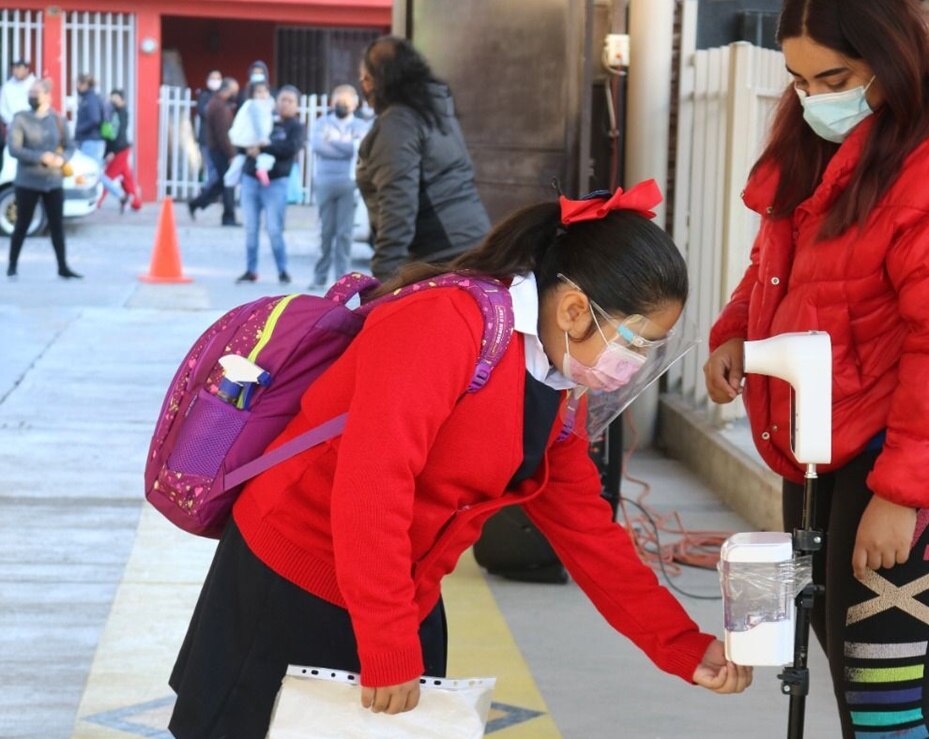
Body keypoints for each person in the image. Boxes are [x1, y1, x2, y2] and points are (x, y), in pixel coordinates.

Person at [168, 181, 752, 737]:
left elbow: (590, 536)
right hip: (291, 585)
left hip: (399, 594)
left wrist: (679, 643)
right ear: (575, 309)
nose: (633, 365)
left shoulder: (555, 384)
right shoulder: (444, 323)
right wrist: (389, 641)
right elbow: (374, 483)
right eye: (635, 343)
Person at [703, 1, 929, 737]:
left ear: (891, 54)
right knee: (841, 651)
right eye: (798, 80)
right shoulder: (825, 130)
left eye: (835, 77)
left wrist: (903, 493)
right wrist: (735, 332)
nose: (815, 98)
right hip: (830, 428)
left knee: (882, 693)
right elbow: (777, 259)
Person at [357, 36, 490, 280]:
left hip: (441, 257)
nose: (363, 86)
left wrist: (384, 278)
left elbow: (398, 205)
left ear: (379, 80)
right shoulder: (435, 109)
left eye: (365, 79)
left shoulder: (398, 124)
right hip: (473, 245)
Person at [6, 79, 81, 279]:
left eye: (35, 92)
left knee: (57, 226)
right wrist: (40, 157)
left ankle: (63, 267)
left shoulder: (58, 120)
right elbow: (14, 149)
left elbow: (70, 146)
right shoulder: (20, 119)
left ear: (47, 95)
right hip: (27, 181)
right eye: (30, 93)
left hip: (53, 181)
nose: (32, 96)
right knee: (22, 223)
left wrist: (61, 159)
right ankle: (12, 265)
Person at [236, 84, 305, 285]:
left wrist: (266, 147)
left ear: (297, 106)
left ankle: (282, 270)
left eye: (290, 101)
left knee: (274, 229)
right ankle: (250, 270)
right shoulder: (264, 119)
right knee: (250, 228)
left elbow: (290, 148)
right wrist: (248, 149)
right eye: (282, 99)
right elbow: (242, 139)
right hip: (251, 178)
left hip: (276, 183)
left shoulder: (296, 127)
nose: (284, 104)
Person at [308, 84, 370, 291]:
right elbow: (318, 147)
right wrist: (347, 147)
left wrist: (333, 143)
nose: (342, 104)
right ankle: (319, 276)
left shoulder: (361, 126)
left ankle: (342, 281)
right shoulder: (321, 123)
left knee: (345, 233)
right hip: (325, 182)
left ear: (354, 104)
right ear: (332, 102)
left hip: (349, 183)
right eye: (338, 100)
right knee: (325, 232)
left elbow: (361, 149)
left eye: (346, 101)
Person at [187, 79, 239, 226]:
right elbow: (223, 134)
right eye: (233, 90)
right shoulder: (219, 107)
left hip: (217, 149)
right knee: (228, 183)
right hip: (220, 150)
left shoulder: (216, 104)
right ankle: (228, 216)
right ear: (227, 90)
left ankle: (197, 203)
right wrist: (231, 154)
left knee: (221, 183)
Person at [73, 74, 123, 207]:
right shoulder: (90, 98)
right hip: (91, 141)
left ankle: (120, 195)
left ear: (84, 84)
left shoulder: (90, 99)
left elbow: (95, 119)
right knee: (94, 173)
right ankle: (116, 195)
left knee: (93, 173)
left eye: (78, 83)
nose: (76, 87)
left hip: (91, 141)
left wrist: (79, 130)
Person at [226, 82, 277, 188]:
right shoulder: (255, 105)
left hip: (246, 140)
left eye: (265, 91)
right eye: (259, 92)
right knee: (266, 156)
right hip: (253, 139)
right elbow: (257, 122)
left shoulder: (264, 105)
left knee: (241, 159)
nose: (262, 94)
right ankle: (262, 170)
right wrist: (262, 138)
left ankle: (230, 180)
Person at [102, 89, 140, 213]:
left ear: (122, 99)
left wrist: (111, 151)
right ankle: (136, 203)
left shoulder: (121, 113)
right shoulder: (114, 111)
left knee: (106, 177)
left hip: (119, 150)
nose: (113, 100)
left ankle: (98, 201)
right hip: (121, 149)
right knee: (127, 178)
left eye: (116, 98)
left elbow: (118, 134)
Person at [0, 59, 35, 159]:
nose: (16, 71)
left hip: (32, 127)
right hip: (12, 127)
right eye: (14, 68)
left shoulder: (34, 85)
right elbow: (2, 108)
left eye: (19, 68)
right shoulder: (7, 87)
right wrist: (13, 120)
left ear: (27, 69)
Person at [196, 70, 224, 188]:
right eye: (213, 78)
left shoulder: (223, 95)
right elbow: (202, 111)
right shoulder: (204, 95)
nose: (215, 81)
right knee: (209, 166)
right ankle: (210, 191)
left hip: (221, 139)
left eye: (217, 78)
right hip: (206, 138)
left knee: (219, 167)